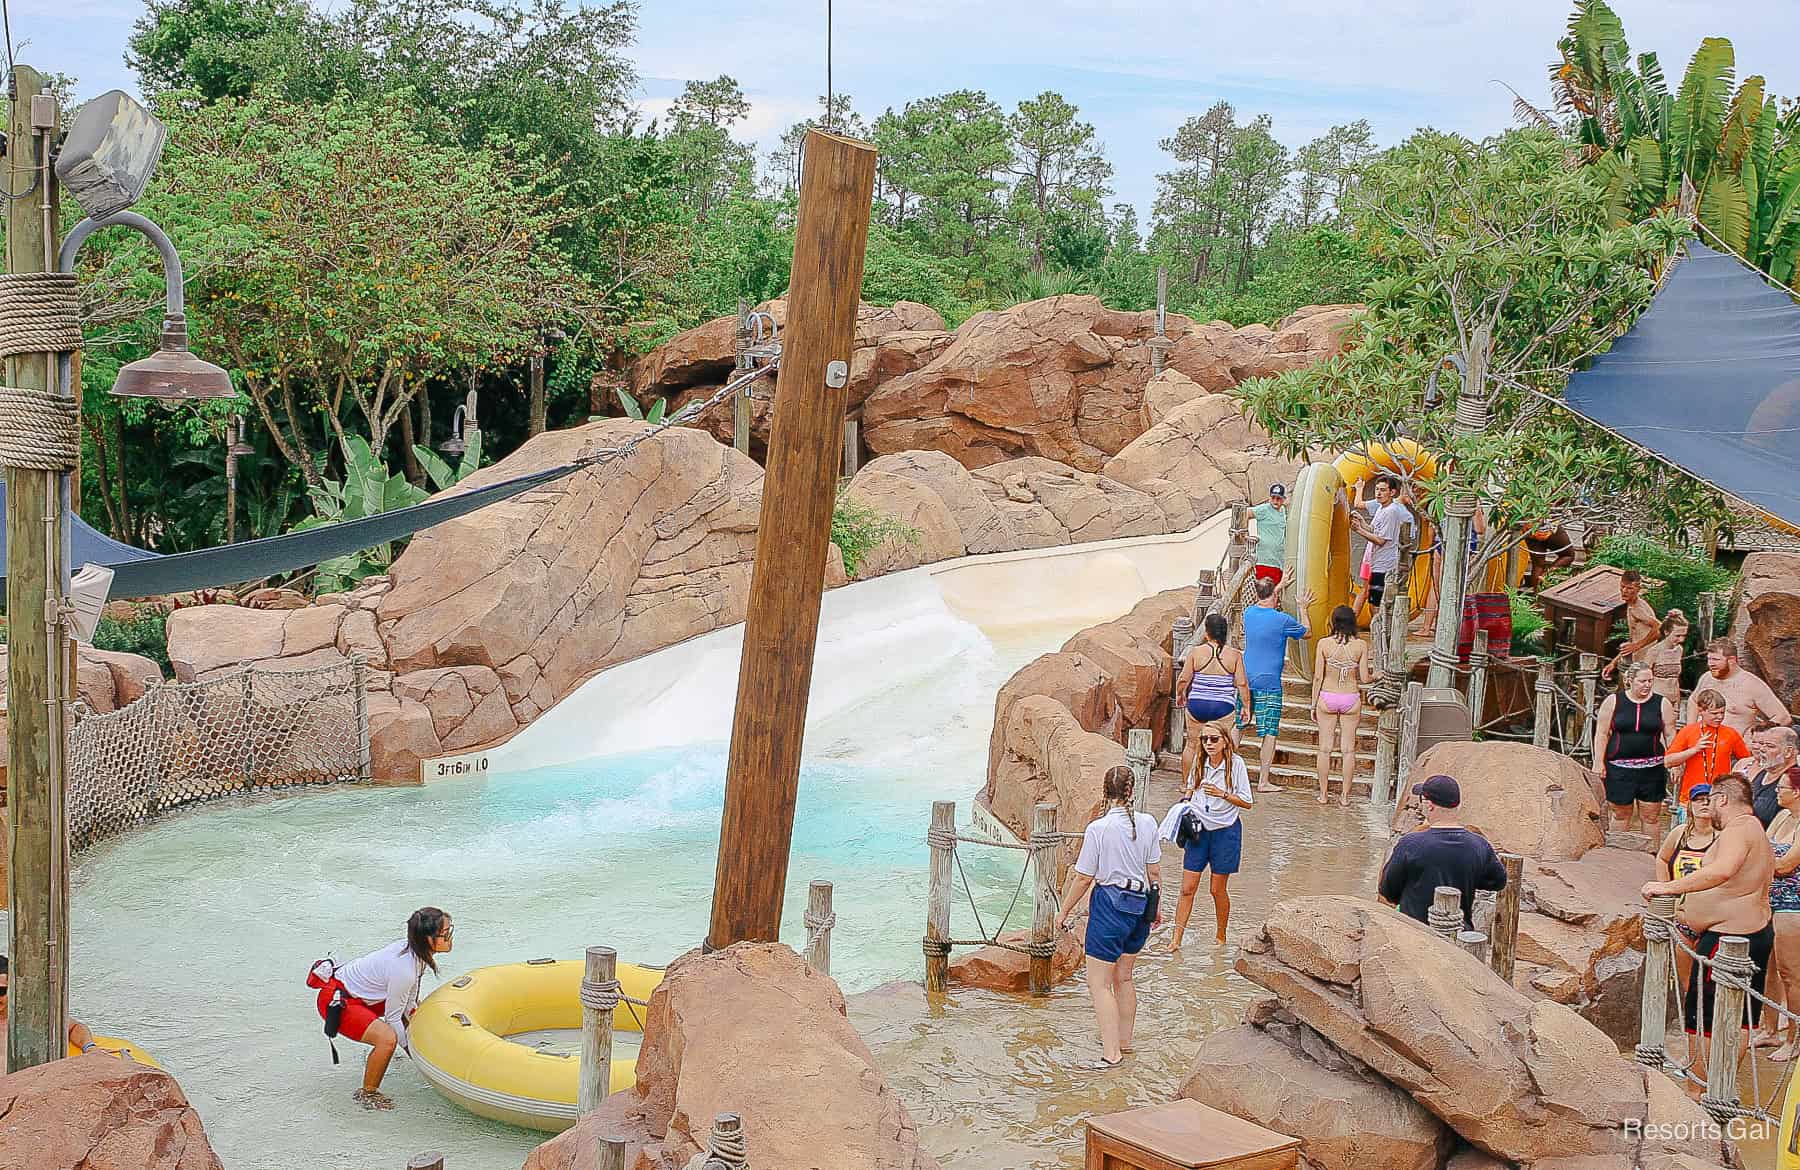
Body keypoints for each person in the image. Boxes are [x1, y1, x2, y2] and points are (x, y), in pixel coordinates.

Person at [1642, 772, 1774, 1091]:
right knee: (1741, 1015)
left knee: (1703, 1015)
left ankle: (1699, 1087)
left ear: (1722, 800)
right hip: (1747, 933)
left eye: (1711, 800)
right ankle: (1718, 1083)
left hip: (1730, 938)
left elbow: (1722, 870)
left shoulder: (1736, 831)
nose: (1709, 807)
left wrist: (1668, 888)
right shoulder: (1753, 828)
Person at [1059, 766, 1161, 1069]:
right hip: (1141, 903)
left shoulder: (1098, 829)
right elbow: (1153, 872)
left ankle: (1110, 1054)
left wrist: (1063, 912)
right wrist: (1157, 907)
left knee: (1099, 984)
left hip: (1110, 906)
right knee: (1124, 977)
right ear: (1131, 791)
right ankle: (1124, 1042)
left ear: (1105, 793)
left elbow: (1083, 878)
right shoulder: (1148, 822)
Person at [307, 907, 455, 1110]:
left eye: (450, 930)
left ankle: (384, 1056)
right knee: (387, 1039)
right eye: (445, 933)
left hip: (361, 997)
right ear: (428, 939)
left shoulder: (415, 954)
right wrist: (416, 1057)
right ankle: (367, 1093)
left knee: (409, 1012)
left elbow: (410, 1002)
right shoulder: (405, 969)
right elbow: (394, 1018)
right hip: (338, 1001)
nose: (450, 937)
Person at [1166, 720, 1254, 950]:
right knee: (1187, 887)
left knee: (1216, 889)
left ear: (1226, 741)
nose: (1208, 744)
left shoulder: (1236, 765)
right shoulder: (1199, 760)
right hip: (1198, 830)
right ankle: (1176, 940)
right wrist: (1184, 802)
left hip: (1226, 831)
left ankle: (1221, 936)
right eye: (1204, 739)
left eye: (1214, 739)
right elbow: (1189, 786)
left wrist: (1222, 794)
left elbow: (1247, 802)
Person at [1378, 774, 1508, 929]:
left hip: (1414, 933)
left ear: (1430, 805)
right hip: (1458, 933)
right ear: (1457, 806)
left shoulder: (1410, 843)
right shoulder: (1479, 845)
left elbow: (1388, 890)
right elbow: (1498, 882)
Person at [1242, 575, 1315, 792]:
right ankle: (1263, 781)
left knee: (1239, 725)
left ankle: (1225, 773)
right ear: (1274, 596)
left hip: (1246, 679)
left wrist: (1278, 587)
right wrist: (1303, 607)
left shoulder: (1249, 613)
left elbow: (1261, 601)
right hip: (1269, 683)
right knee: (1269, 731)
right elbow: (1307, 632)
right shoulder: (1282, 620)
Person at [1592, 662, 1675, 835]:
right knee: (1621, 814)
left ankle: (1650, 856)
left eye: (1650, 681)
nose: (1647, 685)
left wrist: (1674, 761)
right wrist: (1598, 762)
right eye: (1642, 681)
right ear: (1630, 680)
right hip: (1619, 767)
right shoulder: (1614, 701)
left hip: (1653, 768)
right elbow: (1601, 733)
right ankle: (1617, 854)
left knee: (1651, 815)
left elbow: (1670, 735)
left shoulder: (1662, 703)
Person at [1175, 612, 1250, 788]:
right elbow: (1242, 683)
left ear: (1207, 633)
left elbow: (1184, 679)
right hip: (1223, 707)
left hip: (1197, 705)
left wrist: (1180, 694)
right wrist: (1246, 706)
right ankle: (1222, 784)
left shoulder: (1196, 652)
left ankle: (1188, 785)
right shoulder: (1235, 655)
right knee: (1223, 746)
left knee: (1192, 744)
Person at [1655, 784, 1716, 998]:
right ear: (1690, 805)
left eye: (1709, 798)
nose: (1704, 803)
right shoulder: (1679, 833)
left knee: (1710, 977)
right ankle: (1690, 1019)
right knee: (1686, 979)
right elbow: (1662, 859)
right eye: (1698, 799)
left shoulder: (1723, 836)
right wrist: (1666, 889)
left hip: (1712, 916)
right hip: (1682, 914)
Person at [0, 955, 107, 1072]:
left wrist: (90, 1048)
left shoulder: (30, 1017)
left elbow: (75, 1027)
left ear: (14, 989)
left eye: (1, 991)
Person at [1311, 605, 1371, 805]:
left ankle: (1323, 794)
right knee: (1348, 750)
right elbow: (1364, 678)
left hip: (1327, 697)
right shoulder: (1361, 646)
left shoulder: (1323, 644)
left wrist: (1313, 704)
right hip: (1350, 698)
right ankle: (1345, 797)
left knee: (1324, 749)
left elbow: (1318, 676)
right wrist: (1376, 675)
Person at [1688, 638, 1792, 738]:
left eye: (1715, 659)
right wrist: (1690, 730)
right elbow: (1693, 700)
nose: (1710, 664)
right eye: (1709, 659)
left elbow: (1783, 717)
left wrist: (1755, 735)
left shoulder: (1752, 684)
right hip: (1701, 744)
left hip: (1736, 749)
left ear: (1732, 660)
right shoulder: (1707, 677)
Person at [1766, 768, 1800, 1062]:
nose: (1777, 791)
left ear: (1797, 792)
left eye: (1782, 787)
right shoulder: (1781, 817)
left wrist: (1759, 861)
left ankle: (1794, 1037)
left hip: (1793, 904)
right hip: (1769, 899)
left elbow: (1787, 864)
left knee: (1791, 974)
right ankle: (1769, 1029)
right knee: (1767, 969)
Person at [1666, 689, 1753, 802]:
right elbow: (1668, 761)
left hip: (1720, 797)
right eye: (1714, 713)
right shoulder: (1688, 731)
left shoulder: (1731, 733)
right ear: (1701, 711)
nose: (1719, 717)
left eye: (1722, 713)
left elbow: (1747, 761)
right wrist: (1694, 750)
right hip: (1691, 796)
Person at [1349, 474, 1414, 611]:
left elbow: (1380, 540)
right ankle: (1377, 631)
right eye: (1377, 489)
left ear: (1392, 492)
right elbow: (1374, 529)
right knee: (1373, 601)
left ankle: (1380, 631)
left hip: (1384, 565)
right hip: (1375, 562)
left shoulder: (1391, 511)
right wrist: (1361, 521)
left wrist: (1359, 530)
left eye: (1383, 490)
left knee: (1376, 603)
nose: (1378, 493)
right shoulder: (1381, 508)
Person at [1602, 570, 1662, 680]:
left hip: (1646, 664)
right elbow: (1632, 642)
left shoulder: (1638, 609)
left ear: (1638, 590)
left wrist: (1637, 646)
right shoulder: (1630, 606)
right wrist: (1613, 663)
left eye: (1630, 588)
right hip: (1634, 663)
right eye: (1623, 587)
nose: (1624, 591)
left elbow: (1660, 628)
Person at [1752, 727, 1800, 829]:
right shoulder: (1762, 773)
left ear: (1788, 751)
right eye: (1762, 744)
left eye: (1770, 746)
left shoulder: (1794, 779)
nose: (1762, 749)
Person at [1247, 484, 1289, 588]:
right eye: (1273, 497)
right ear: (1269, 497)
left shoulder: (1284, 511)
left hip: (1278, 561)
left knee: (1275, 594)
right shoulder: (1264, 509)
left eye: (1278, 498)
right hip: (1264, 561)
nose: (1275, 501)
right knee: (1265, 592)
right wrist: (1245, 535)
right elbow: (1246, 513)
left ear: (1283, 499)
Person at [1647, 609, 1689, 708]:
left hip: (1673, 700)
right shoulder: (1654, 651)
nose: (1681, 639)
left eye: (1684, 636)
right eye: (1677, 635)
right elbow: (1643, 679)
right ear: (1666, 632)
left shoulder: (1679, 650)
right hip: (1656, 700)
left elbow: (1676, 679)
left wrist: (1677, 705)